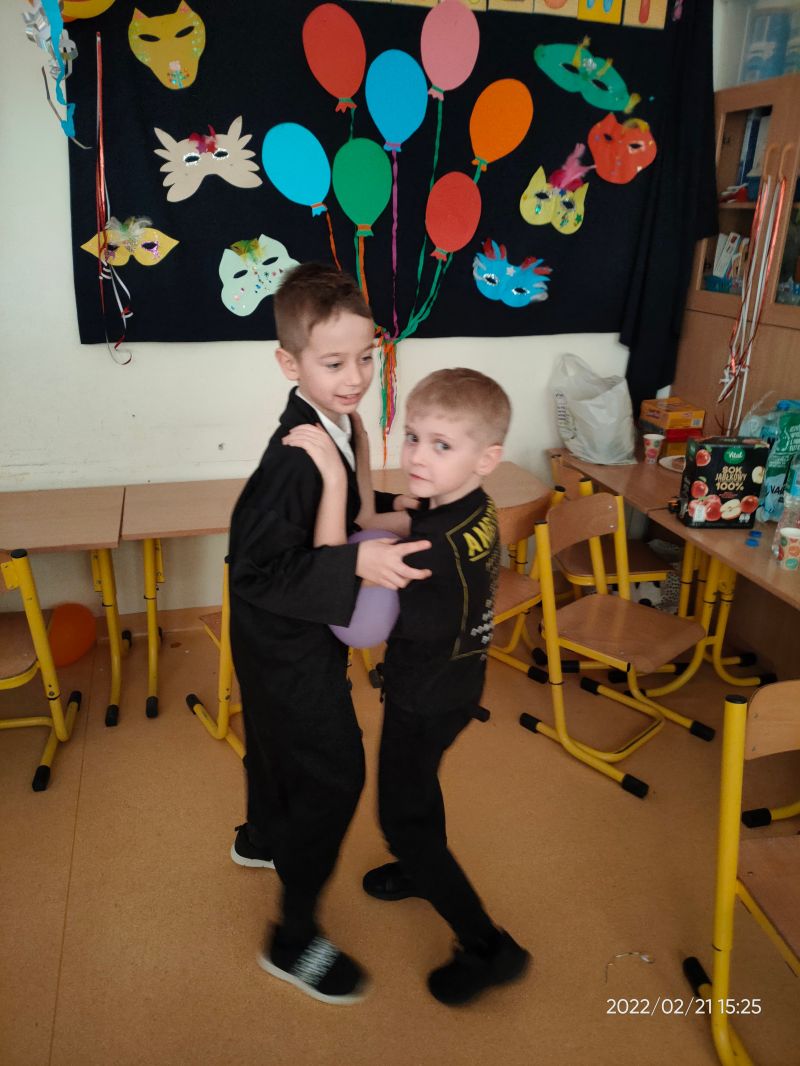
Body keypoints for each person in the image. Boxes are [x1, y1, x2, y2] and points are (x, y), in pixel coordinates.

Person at [287, 368, 530, 1007]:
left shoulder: (428, 548)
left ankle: (489, 948)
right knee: (419, 790)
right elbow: (381, 512)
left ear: (486, 457)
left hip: (424, 698)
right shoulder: (469, 504)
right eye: (414, 437)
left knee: (404, 818)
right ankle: (422, 868)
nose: (419, 457)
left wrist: (334, 478)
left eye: (441, 445)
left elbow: (335, 580)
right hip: (458, 683)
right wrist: (361, 445)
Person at [227, 262, 431, 1005]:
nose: (355, 378)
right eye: (334, 363)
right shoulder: (294, 457)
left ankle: (260, 837)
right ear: (291, 364)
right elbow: (256, 570)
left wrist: (399, 509)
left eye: (366, 358)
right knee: (334, 772)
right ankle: (292, 939)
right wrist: (355, 565)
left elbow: (348, 510)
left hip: (294, 626)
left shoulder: (339, 423)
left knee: (274, 741)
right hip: (283, 640)